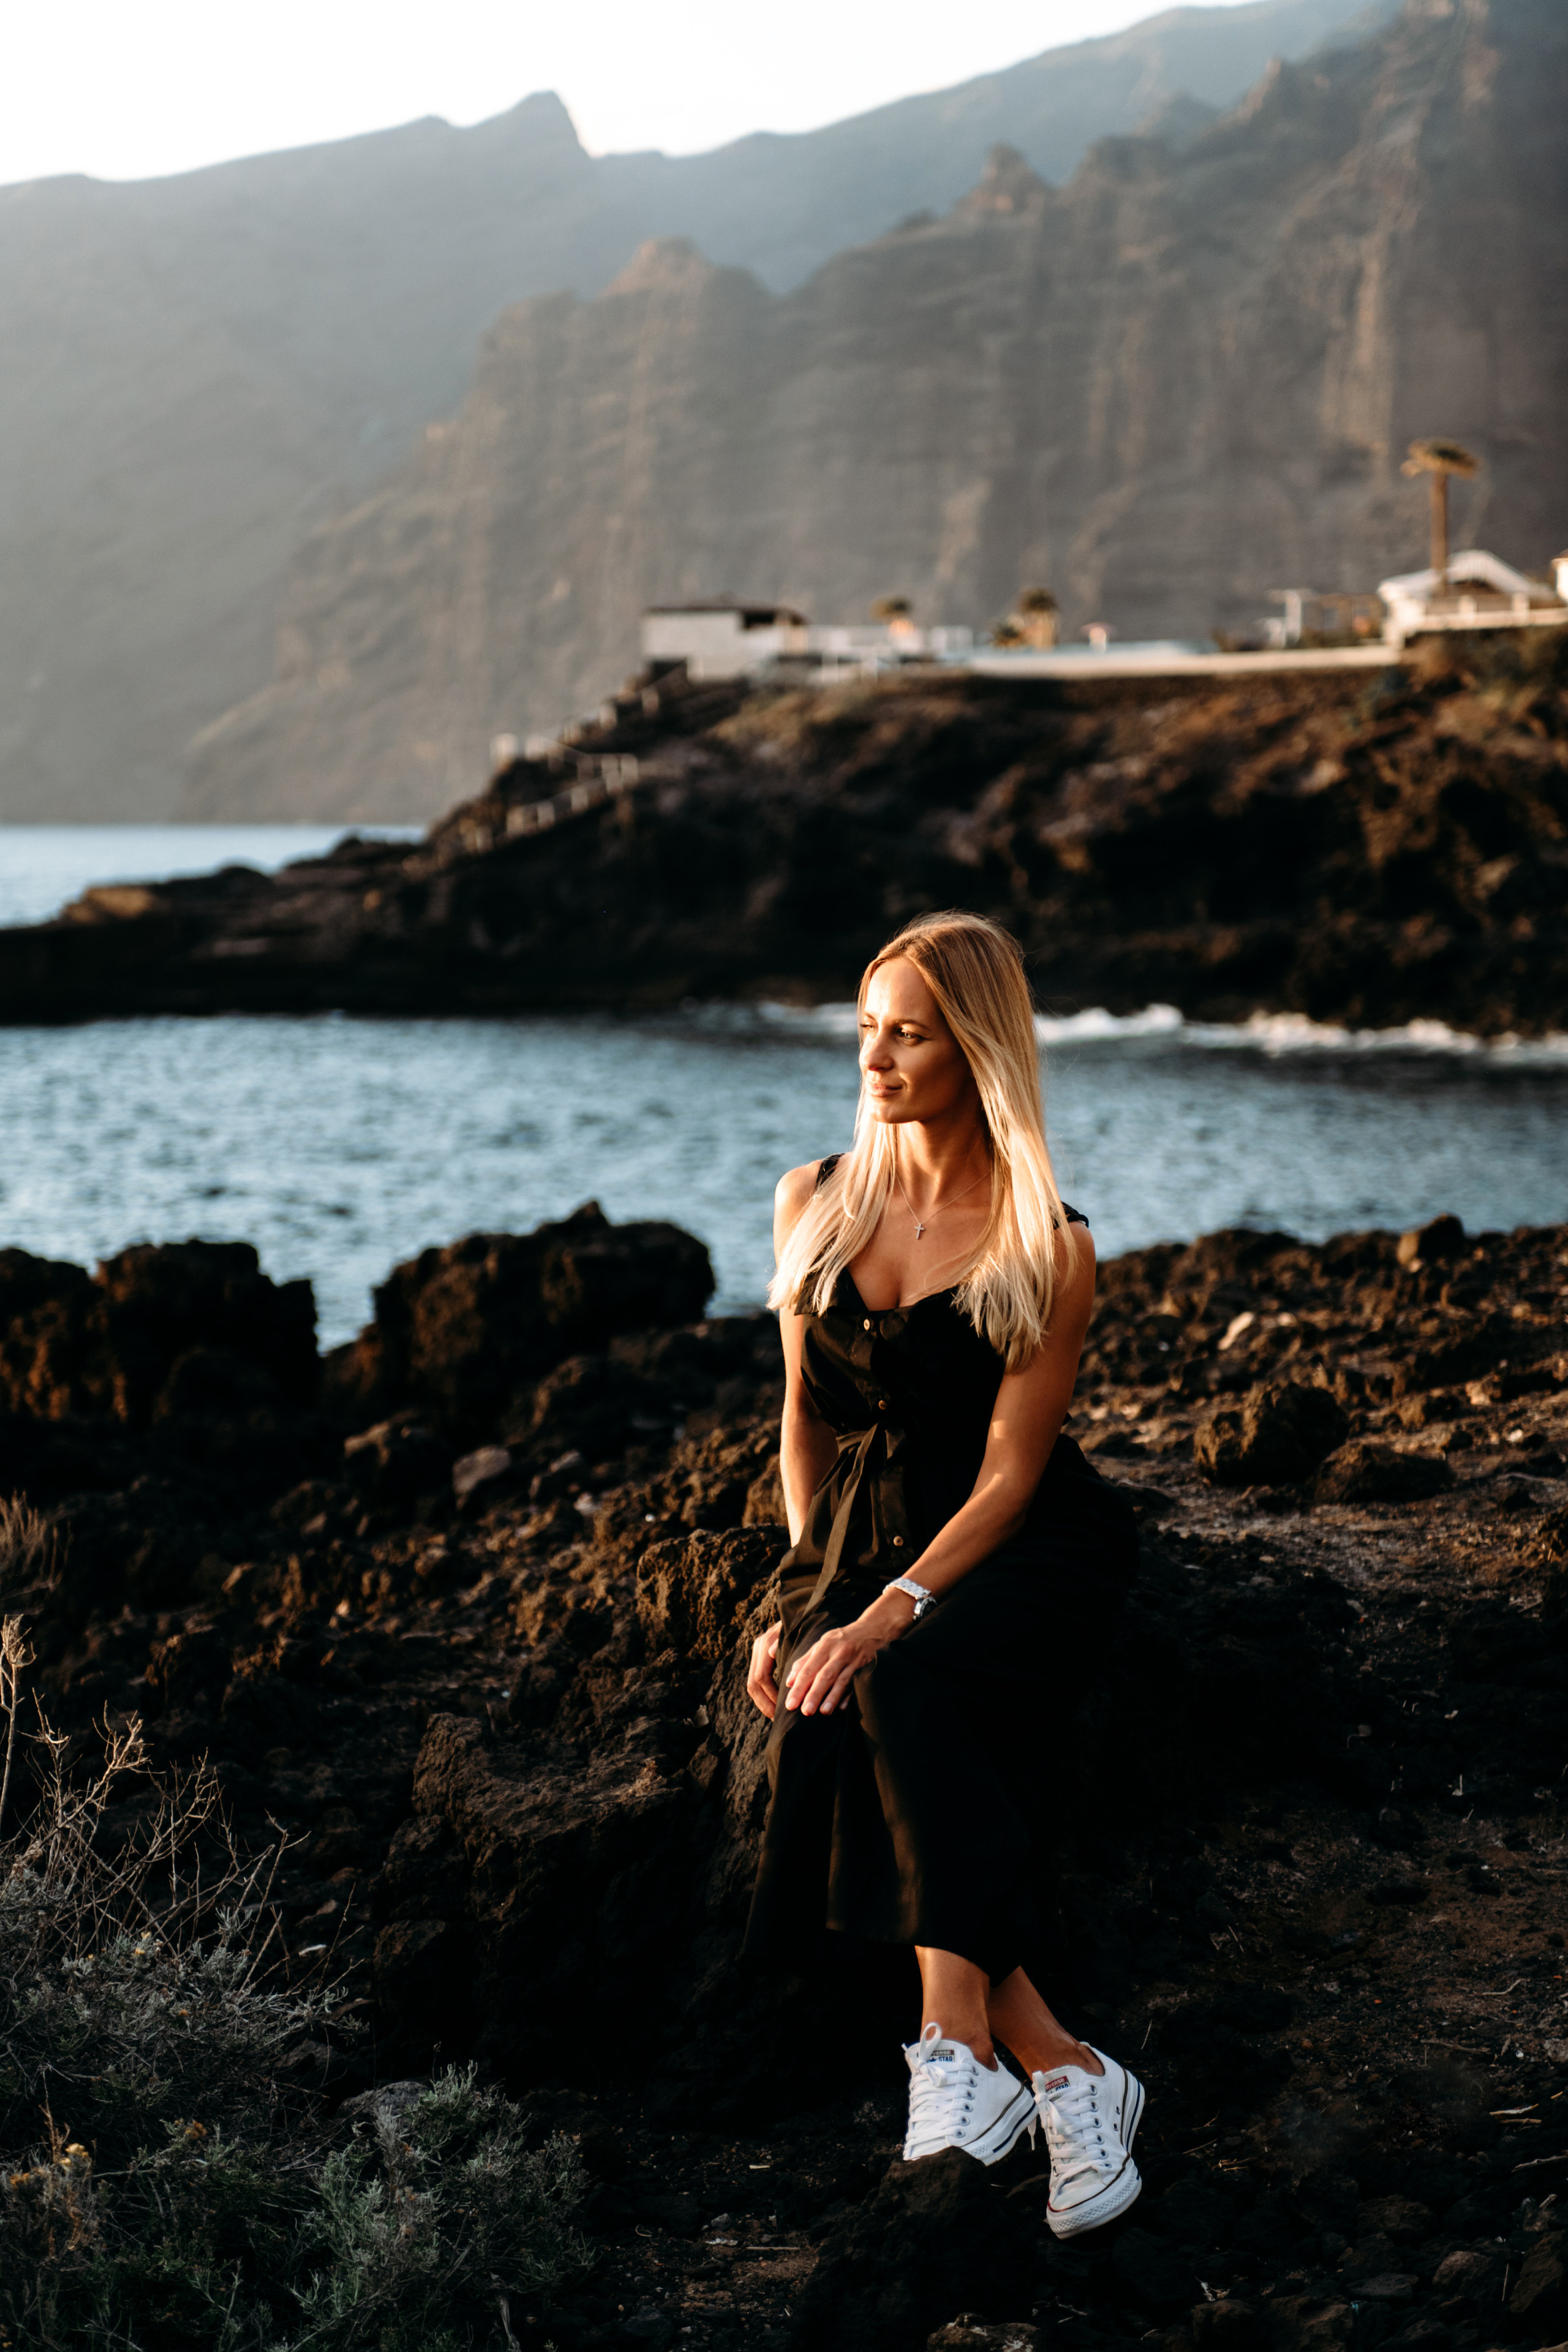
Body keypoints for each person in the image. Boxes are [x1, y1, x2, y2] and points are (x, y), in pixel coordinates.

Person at [742, 910, 1144, 2237]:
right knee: (832, 1703)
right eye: (866, 1028)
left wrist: (886, 1613)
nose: (874, 1058)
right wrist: (809, 1596)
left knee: (894, 1685)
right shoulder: (813, 1198)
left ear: (975, 1048)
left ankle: (954, 2051)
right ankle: (1063, 2068)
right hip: (863, 1531)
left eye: (907, 1034)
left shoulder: (1047, 1241)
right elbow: (803, 1423)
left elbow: (1014, 1478)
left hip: (1019, 1545)